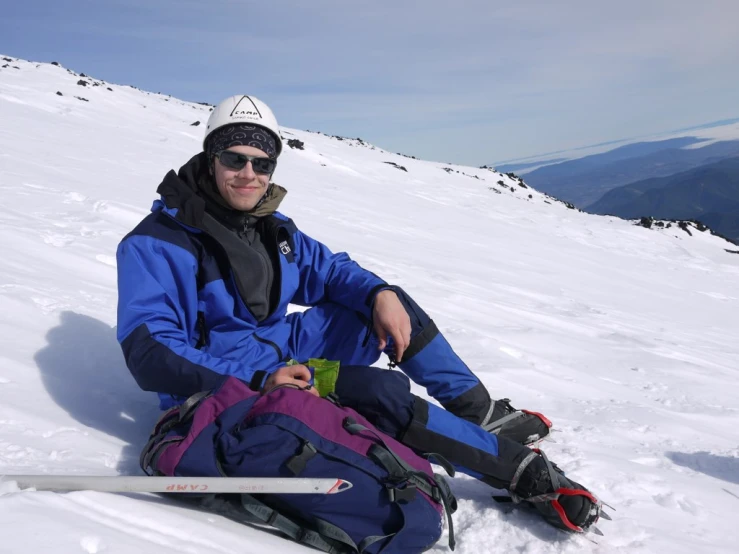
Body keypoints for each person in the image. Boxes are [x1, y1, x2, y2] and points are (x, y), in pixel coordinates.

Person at [116, 95, 603, 534]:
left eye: (261, 162)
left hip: (281, 351)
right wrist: (263, 378)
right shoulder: (158, 243)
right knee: (377, 393)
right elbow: (150, 353)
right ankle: (521, 473)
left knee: (391, 308)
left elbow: (331, 272)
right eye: (234, 158)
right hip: (230, 388)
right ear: (209, 158)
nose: (249, 173)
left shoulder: (269, 229)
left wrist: (380, 293)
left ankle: (480, 414)